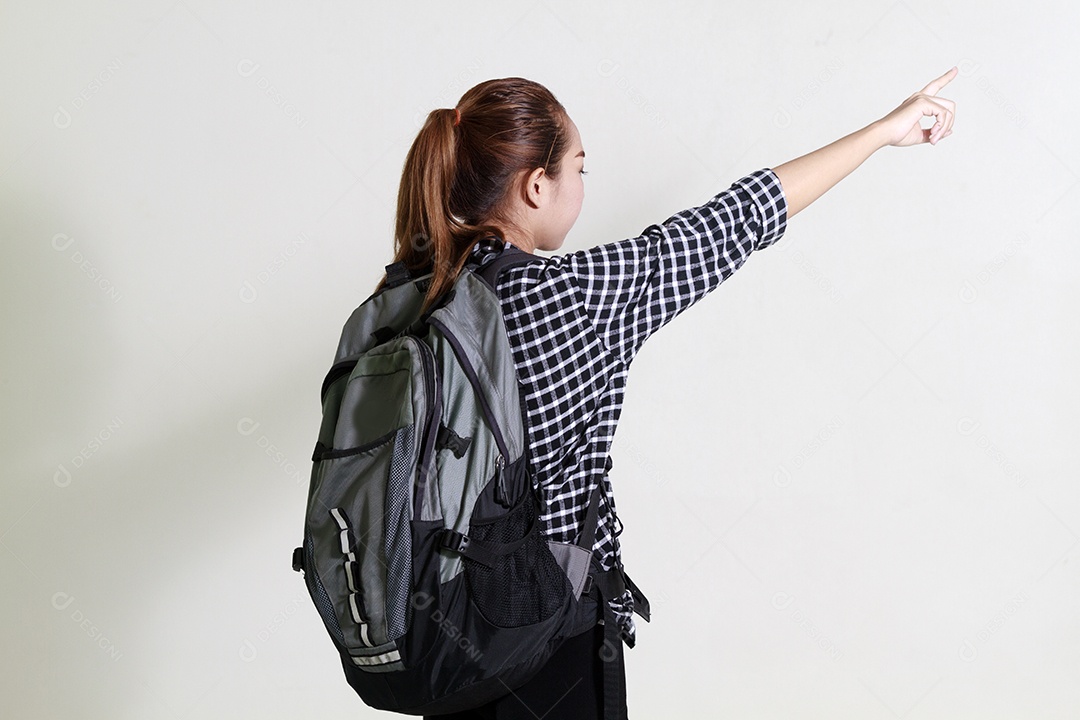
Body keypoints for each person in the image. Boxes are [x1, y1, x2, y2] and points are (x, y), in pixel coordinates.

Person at [377, 68, 957, 720]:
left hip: (444, 644)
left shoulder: (404, 302)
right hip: (545, 646)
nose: (581, 186)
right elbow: (735, 221)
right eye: (578, 168)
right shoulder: (565, 298)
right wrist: (882, 131)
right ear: (536, 186)